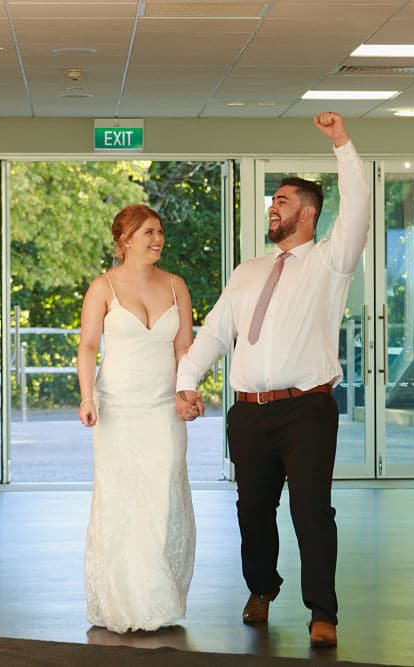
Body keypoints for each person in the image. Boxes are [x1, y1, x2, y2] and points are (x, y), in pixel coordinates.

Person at [175, 112, 369, 649]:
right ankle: (261, 587)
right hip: (250, 413)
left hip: (306, 410)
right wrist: (186, 380)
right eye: (272, 201)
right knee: (252, 509)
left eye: (282, 201)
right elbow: (215, 332)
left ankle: (322, 613)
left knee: (312, 512)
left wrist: (341, 144)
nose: (272, 207)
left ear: (307, 215)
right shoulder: (248, 271)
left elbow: (357, 208)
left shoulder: (331, 262)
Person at [77, 204, 197, 633]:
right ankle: (125, 602)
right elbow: (89, 346)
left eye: (160, 231)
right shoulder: (103, 287)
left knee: (162, 497)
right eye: (148, 232)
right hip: (118, 411)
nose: (157, 239)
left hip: (164, 409)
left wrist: (188, 392)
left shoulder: (176, 286)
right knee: (121, 501)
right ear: (124, 240)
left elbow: (185, 348)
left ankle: (159, 597)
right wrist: (86, 396)